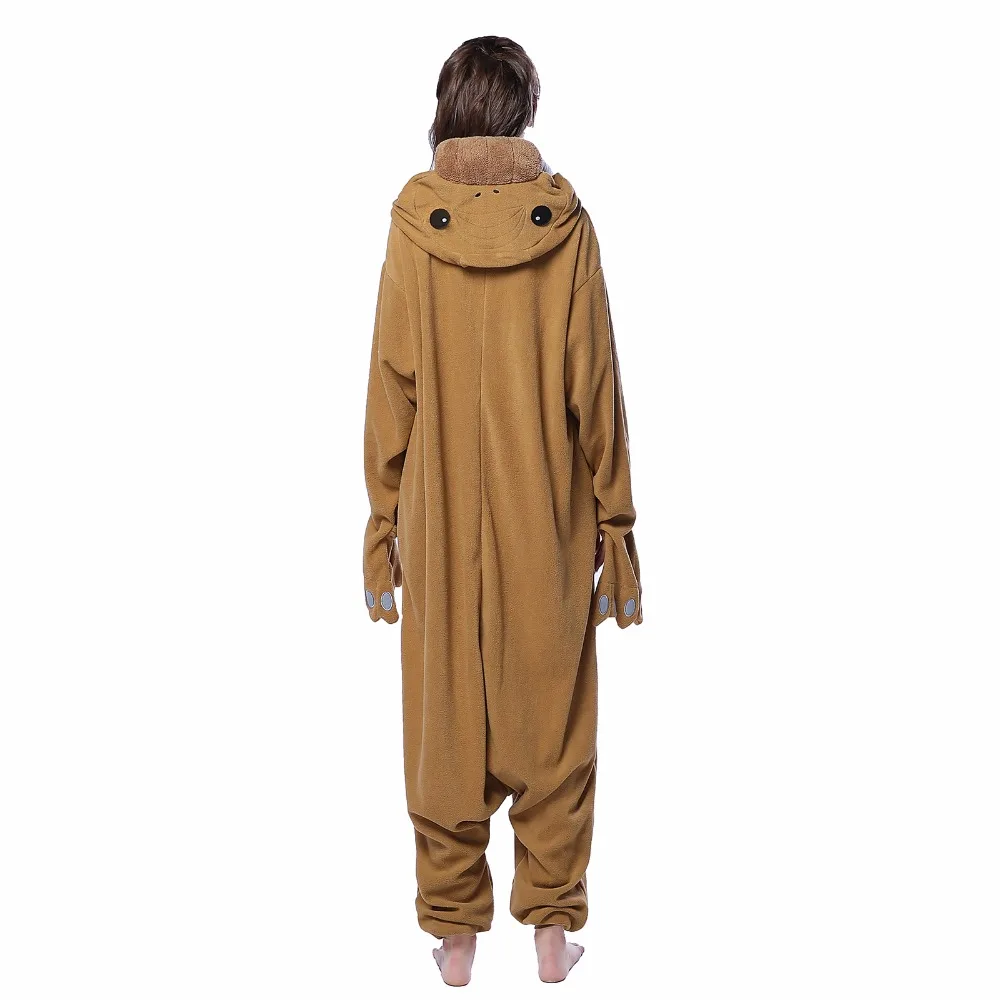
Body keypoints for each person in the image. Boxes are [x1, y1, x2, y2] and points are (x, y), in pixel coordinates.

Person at [361, 35, 642, 986]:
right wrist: (615, 522)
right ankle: (553, 935)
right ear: (522, 111)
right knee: (552, 714)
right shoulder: (565, 226)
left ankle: (455, 940)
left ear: (449, 108)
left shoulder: (414, 223)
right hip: (547, 507)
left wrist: (383, 521)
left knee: (444, 714)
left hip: (437, 513)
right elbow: (595, 385)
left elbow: (392, 383)